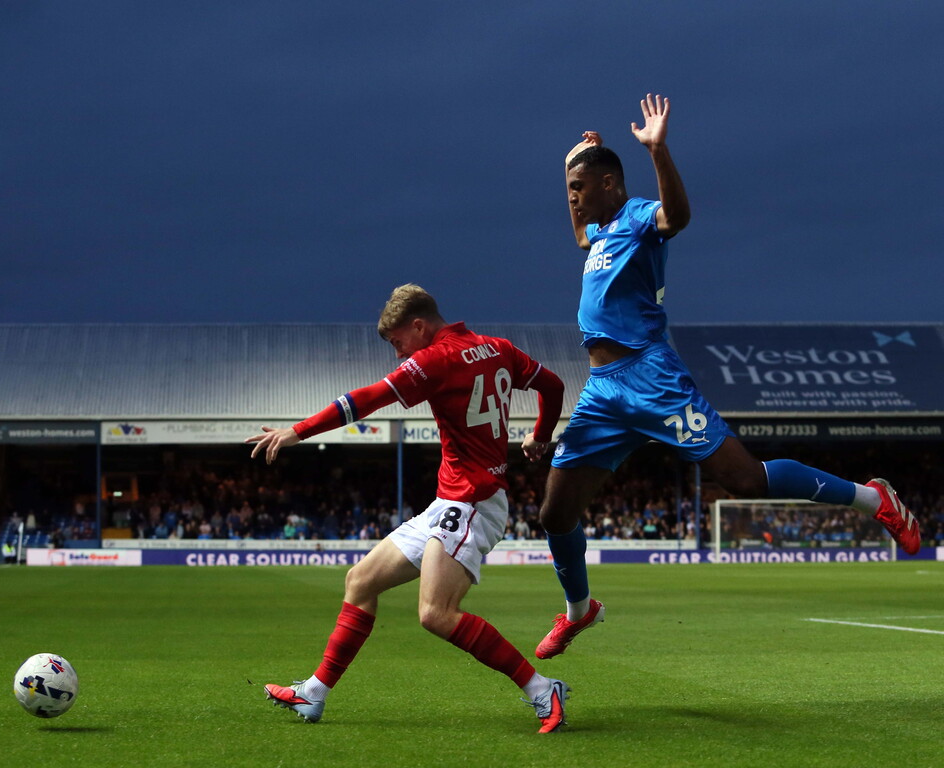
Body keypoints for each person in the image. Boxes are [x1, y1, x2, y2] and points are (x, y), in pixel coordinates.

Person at [533, 93, 922, 660]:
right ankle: (578, 611)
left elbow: (678, 217)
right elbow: (576, 230)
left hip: (652, 377)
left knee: (743, 479)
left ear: (612, 183)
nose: (571, 198)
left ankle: (874, 498)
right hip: (603, 392)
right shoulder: (595, 235)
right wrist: (571, 161)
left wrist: (658, 152)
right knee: (554, 512)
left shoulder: (639, 215)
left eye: (579, 187)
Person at [245, 284, 570, 733]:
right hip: (452, 501)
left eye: (398, 342)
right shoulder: (498, 347)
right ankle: (314, 693)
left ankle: (540, 688)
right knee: (360, 581)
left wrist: (298, 431)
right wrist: (539, 435)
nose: (399, 355)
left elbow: (367, 399)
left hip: (473, 500)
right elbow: (552, 385)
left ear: (419, 326)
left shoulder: (435, 359)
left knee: (435, 614)